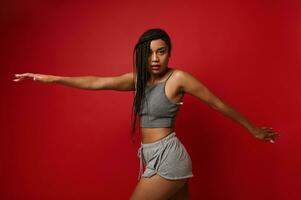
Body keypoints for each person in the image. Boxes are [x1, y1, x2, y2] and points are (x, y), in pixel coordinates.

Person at [13, 28, 280, 200]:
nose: (155, 58)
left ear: (168, 53)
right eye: (150, 52)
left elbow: (217, 103)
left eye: (161, 51)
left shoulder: (178, 79)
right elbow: (96, 82)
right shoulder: (138, 79)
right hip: (151, 157)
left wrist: (253, 129)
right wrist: (48, 78)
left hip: (168, 158)